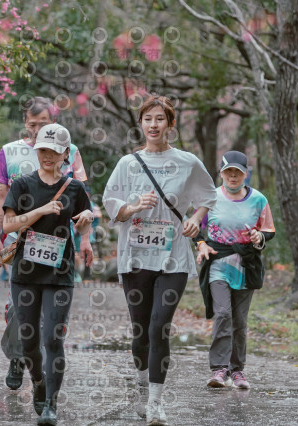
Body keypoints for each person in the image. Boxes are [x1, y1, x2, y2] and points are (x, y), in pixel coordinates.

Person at [102, 95, 216, 425]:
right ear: (141, 123)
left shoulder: (187, 162)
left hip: (173, 258)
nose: (153, 125)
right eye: (148, 119)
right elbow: (112, 205)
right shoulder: (127, 164)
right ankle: (142, 387)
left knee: (159, 327)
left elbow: (209, 196)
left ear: (170, 124)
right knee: (141, 332)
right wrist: (134, 206)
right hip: (136, 258)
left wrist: (196, 218)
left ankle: (155, 402)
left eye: (160, 119)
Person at [0, 96, 91, 391]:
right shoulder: (8, 151)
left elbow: (83, 196)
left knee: (51, 315)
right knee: (19, 308)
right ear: (25, 123)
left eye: (43, 124)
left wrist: (86, 238)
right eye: (32, 124)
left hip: (58, 242)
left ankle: (42, 367)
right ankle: (18, 356)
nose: (36, 130)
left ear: (53, 122)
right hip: (19, 239)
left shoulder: (71, 151)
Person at [195, 150, 275, 390]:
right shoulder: (211, 198)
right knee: (223, 314)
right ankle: (219, 369)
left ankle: (237, 370)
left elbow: (269, 230)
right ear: (221, 173)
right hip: (218, 264)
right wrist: (201, 244)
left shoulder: (258, 199)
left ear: (245, 174)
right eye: (228, 171)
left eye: (237, 172)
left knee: (239, 320)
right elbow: (195, 227)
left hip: (245, 266)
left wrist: (259, 236)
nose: (232, 176)